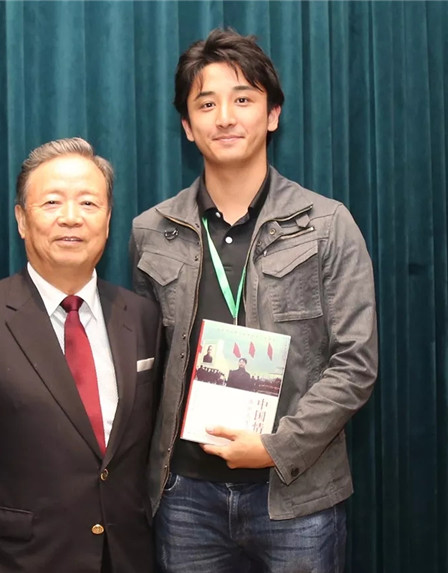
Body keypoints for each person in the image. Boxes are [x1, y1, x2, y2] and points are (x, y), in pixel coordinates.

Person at [130, 28, 377, 572]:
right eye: (206, 104)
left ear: (272, 114)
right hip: (184, 496)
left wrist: (276, 447)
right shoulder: (152, 231)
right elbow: (145, 368)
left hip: (296, 496)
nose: (225, 117)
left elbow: (356, 365)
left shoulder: (328, 225)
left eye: (243, 99)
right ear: (186, 125)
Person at [0, 137, 161, 573]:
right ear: (21, 220)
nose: (71, 217)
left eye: (88, 203)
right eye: (51, 202)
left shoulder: (142, 317)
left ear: (108, 221)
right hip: (17, 561)